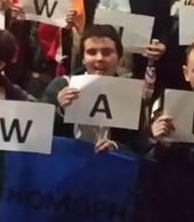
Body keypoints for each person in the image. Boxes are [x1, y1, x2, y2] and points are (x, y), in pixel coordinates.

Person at [42, 24, 147, 153]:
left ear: (119, 57)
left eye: (107, 52)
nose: (99, 58)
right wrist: (61, 111)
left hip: (109, 167)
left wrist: (116, 147)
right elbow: (38, 133)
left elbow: (139, 144)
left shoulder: (130, 94)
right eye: (91, 52)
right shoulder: (61, 85)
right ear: (83, 59)